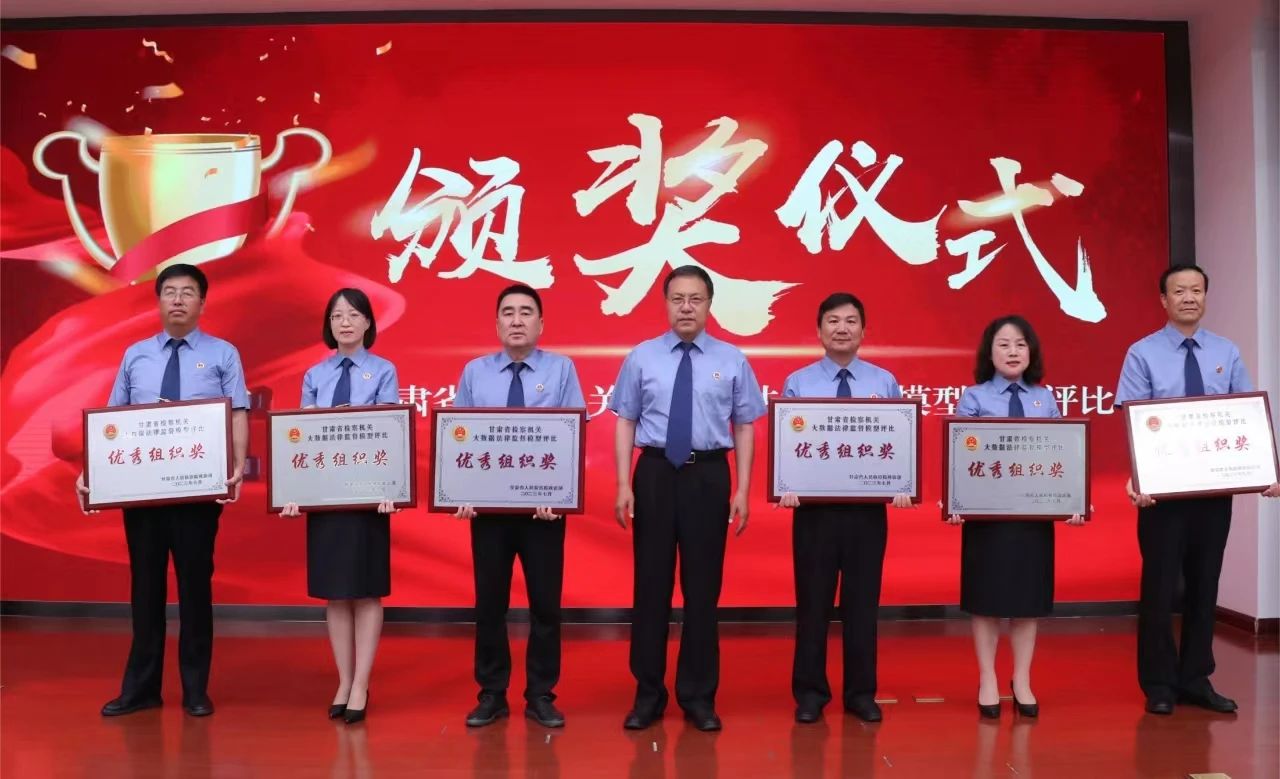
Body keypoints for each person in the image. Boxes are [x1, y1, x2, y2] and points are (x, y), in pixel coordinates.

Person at [75, 263, 249, 718]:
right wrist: (90, 472)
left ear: (202, 302)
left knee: (195, 588)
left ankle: (195, 689)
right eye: (169, 291)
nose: (177, 300)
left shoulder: (223, 354)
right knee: (145, 587)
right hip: (143, 494)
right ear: (158, 301)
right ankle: (141, 688)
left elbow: (237, 413)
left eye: (187, 292)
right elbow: (111, 422)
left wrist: (236, 465)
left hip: (197, 494)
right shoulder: (136, 355)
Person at [1116, 264, 1280, 715]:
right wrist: (1140, 479)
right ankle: (1159, 684)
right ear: (1163, 300)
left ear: (1205, 296)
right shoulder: (1142, 353)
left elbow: (1246, 415)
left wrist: (1266, 470)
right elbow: (1133, 420)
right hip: (1161, 496)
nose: (1189, 297)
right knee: (1159, 587)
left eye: (1196, 290)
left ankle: (1195, 679)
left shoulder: (1226, 351)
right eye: (1179, 291)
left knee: (1206, 585)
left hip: (1213, 493)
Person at [609, 265, 766, 732]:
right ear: (665, 303)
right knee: (650, 588)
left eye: (695, 299)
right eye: (677, 299)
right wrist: (623, 483)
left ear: (709, 304)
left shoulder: (732, 359)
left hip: (709, 475)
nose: (686, 308)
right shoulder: (641, 357)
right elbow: (626, 421)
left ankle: (699, 697)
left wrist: (743, 489)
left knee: (703, 591)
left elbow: (744, 426)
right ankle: (648, 695)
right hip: (655, 473)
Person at [452, 284, 586, 729]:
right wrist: (460, 492)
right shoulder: (475, 372)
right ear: (496, 324)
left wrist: (560, 496)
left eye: (526, 312)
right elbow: (459, 438)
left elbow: (573, 436)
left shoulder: (562, 369)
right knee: (489, 605)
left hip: (542, 512)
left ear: (541, 323)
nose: (516, 319)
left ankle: (540, 694)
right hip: (489, 513)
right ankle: (492, 693)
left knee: (546, 605)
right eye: (507, 312)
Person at [777, 292, 915, 725]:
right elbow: (787, 447)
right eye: (833, 321)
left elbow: (898, 443)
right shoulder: (798, 382)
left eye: (851, 321)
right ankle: (810, 694)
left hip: (866, 513)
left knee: (863, 604)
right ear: (819, 330)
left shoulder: (884, 382)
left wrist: (903, 484)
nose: (842, 328)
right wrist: (786, 484)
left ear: (863, 330)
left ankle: (861, 694)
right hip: (814, 513)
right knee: (812, 604)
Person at [946, 315, 1085, 719]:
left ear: (1031, 352)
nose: (1012, 351)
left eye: (1020, 344)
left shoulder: (1046, 399)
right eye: (1003, 344)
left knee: (1027, 602)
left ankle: (1022, 679)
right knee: (986, 601)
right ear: (989, 353)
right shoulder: (974, 398)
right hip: (987, 518)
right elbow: (961, 458)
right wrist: (956, 502)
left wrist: (1074, 500)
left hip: (1032, 516)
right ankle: (987, 677)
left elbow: (1064, 455)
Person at [280, 288, 400, 725]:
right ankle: (344, 680)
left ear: (368, 322)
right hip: (327, 497)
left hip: (369, 497)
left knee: (366, 590)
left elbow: (391, 434)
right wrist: (294, 490)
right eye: (336, 316)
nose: (345, 323)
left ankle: (362, 683)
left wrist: (392, 487)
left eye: (353, 315)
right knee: (335, 592)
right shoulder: (315, 375)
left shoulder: (383, 371)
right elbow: (302, 438)